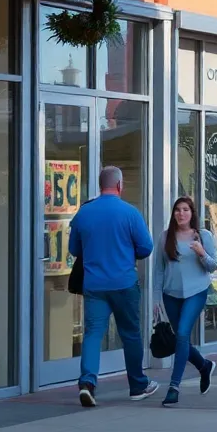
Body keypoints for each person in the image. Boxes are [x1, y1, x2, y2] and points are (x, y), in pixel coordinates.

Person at [68, 166, 157, 407]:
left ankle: (87, 383)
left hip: (94, 285)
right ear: (119, 186)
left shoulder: (84, 213)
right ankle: (138, 385)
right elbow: (146, 247)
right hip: (124, 283)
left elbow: (74, 250)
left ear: (100, 185)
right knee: (130, 334)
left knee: (93, 334)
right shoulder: (130, 213)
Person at [151, 196, 217, 407]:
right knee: (181, 340)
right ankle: (204, 366)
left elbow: (213, 266)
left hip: (196, 292)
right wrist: (155, 299)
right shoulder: (165, 237)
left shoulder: (203, 236)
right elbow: (159, 271)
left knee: (181, 335)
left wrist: (201, 253)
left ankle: (174, 387)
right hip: (171, 294)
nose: (181, 213)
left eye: (185, 210)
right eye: (178, 210)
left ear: (192, 213)